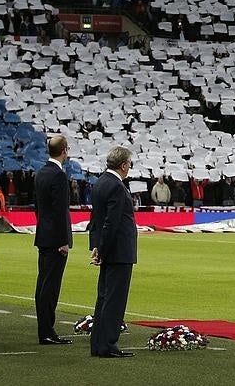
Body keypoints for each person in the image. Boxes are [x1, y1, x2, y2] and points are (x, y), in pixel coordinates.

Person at [89, 146, 138, 358]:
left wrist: (97, 247)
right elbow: (112, 222)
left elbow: (96, 220)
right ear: (124, 165)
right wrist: (104, 249)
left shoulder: (100, 183)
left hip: (108, 249)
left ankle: (99, 343)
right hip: (118, 251)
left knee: (104, 297)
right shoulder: (117, 187)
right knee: (114, 299)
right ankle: (108, 344)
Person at [34, 135, 74, 344]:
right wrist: (63, 240)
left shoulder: (41, 173)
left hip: (44, 235)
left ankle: (45, 329)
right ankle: (47, 332)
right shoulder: (58, 176)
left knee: (43, 283)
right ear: (64, 150)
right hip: (55, 239)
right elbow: (60, 211)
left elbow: (38, 208)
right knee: (50, 286)